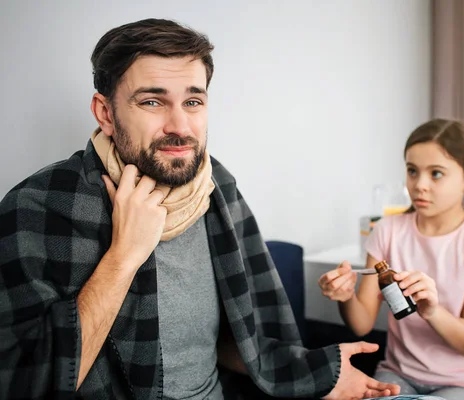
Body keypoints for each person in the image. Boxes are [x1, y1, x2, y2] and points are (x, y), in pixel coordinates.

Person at [0, 18, 401, 400]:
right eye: (153, 101)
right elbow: (26, 384)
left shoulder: (216, 188)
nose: (180, 125)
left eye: (193, 101)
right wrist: (123, 258)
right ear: (106, 113)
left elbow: (229, 345)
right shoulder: (38, 206)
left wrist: (318, 375)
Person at [318, 118, 464, 400]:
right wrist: (345, 296)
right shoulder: (388, 230)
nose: (420, 185)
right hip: (398, 375)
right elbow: (361, 324)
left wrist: (431, 311)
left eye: (436, 173)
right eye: (412, 171)